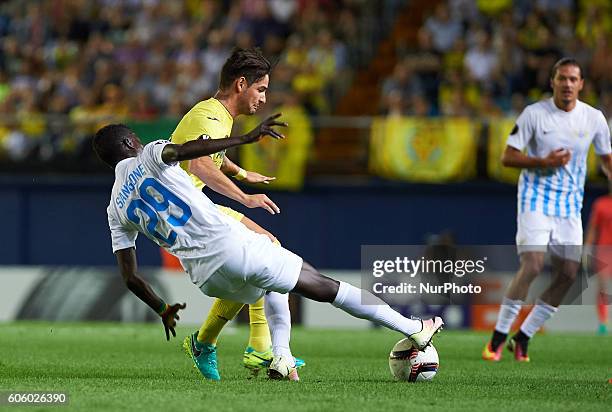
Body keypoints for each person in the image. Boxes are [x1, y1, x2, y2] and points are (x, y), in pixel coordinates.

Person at [93, 123, 444, 381]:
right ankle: (412, 327)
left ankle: (282, 358)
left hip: (206, 279)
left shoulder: (114, 208)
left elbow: (130, 276)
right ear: (129, 142)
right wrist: (244, 139)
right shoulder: (151, 154)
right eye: (135, 138)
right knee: (320, 283)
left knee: (274, 281)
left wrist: (163, 308)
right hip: (230, 246)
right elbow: (185, 152)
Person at [169, 47, 302, 380]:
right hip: (184, 216)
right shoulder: (210, 115)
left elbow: (212, 153)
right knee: (266, 248)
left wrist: (242, 173)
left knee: (259, 254)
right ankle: (258, 346)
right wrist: (246, 196)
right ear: (241, 84)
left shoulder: (218, 116)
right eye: (261, 89)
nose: (264, 98)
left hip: (194, 209)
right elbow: (200, 163)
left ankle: (206, 342)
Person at [483, 58, 612, 362]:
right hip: (535, 199)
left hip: (569, 205)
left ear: (581, 84)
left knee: (569, 273)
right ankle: (498, 338)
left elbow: (606, 158)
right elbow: (507, 157)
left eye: (573, 79)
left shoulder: (594, 118)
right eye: (562, 78)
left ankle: (524, 335)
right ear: (552, 81)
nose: (567, 84)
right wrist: (543, 162)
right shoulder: (534, 115)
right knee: (533, 265)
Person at [584, 181, 612, 335]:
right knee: (603, 287)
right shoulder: (601, 203)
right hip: (604, 251)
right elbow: (593, 228)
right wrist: (587, 247)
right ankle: (603, 322)